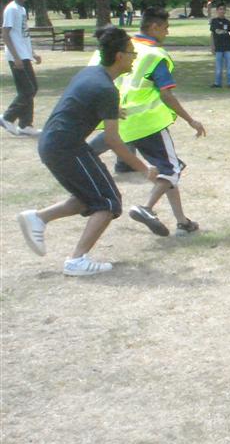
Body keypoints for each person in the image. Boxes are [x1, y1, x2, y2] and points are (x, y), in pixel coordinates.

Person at [17, 26, 158, 276]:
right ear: (119, 56)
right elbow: (113, 140)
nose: (134, 58)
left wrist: (112, 111)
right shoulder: (106, 89)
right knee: (108, 202)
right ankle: (76, 261)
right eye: (131, 53)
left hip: (56, 144)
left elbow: (81, 104)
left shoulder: (92, 74)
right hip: (65, 147)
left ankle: (38, 218)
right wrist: (143, 167)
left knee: (91, 195)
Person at [89, 7, 206, 238]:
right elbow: (166, 94)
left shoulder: (117, 46)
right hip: (146, 123)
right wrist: (191, 120)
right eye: (166, 28)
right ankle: (146, 208)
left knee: (168, 170)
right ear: (154, 27)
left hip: (118, 123)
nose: (167, 33)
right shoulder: (155, 55)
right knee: (172, 169)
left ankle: (182, 222)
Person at [1, 0, 43, 137]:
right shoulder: (11, 9)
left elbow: (24, 34)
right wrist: (16, 57)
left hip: (24, 55)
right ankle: (7, 118)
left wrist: (33, 53)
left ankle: (25, 125)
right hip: (16, 57)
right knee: (28, 90)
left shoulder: (22, 9)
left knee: (32, 89)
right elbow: (5, 34)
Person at [209, 4, 230, 88]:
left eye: (223, 9)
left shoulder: (228, 22)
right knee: (218, 66)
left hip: (227, 47)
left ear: (225, 11)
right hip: (218, 47)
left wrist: (228, 37)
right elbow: (214, 33)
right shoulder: (214, 21)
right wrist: (212, 46)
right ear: (217, 11)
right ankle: (217, 83)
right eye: (220, 9)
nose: (222, 11)